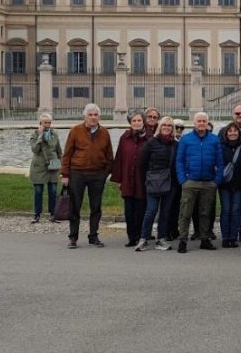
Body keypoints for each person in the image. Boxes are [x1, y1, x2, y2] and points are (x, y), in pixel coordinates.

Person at [61, 103, 114, 249]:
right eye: (90, 115)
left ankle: (93, 236)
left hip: (97, 174)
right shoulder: (75, 131)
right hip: (77, 173)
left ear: (99, 117)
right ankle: (73, 237)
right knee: (75, 206)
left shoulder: (104, 132)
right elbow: (67, 154)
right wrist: (65, 174)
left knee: (96, 207)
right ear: (84, 116)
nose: (93, 117)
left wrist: (106, 172)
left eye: (95, 115)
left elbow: (109, 154)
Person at [175, 112, 223, 252]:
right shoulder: (186, 140)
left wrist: (217, 180)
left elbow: (220, 162)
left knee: (205, 213)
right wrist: (183, 179)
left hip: (209, 182)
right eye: (199, 121)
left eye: (204, 121)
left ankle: (205, 239)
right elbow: (179, 161)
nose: (201, 123)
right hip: (190, 181)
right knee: (185, 212)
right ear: (194, 123)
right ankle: (183, 240)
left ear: (207, 123)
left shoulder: (214, 140)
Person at [136, 116, 179, 252]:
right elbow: (141, 163)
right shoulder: (151, 142)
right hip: (153, 181)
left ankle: (161, 238)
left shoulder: (176, 144)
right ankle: (144, 238)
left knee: (165, 212)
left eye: (169, 125)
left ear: (172, 129)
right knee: (151, 210)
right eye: (164, 125)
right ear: (160, 126)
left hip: (171, 182)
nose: (166, 127)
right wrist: (147, 178)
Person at [111, 110, 150, 247]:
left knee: (141, 209)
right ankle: (131, 237)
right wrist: (118, 179)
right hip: (128, 179)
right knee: (129, 210)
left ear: (143, 122)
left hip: (143, 180)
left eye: (139, 120)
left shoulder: (150, 138)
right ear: (130, 123)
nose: (137, 123)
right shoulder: (125, 137)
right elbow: (119, 158)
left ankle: (141, 235)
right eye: (134, 121)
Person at [28, 113, 62, 224]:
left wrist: (61, 163)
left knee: (53, 190)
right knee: (38, 191)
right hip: (39, 166)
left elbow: (58, 150)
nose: (47, 125)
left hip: (53, 163)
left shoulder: (54, 134)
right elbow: (35, 149)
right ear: (40, 124)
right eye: (45, 123)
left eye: (49, 122)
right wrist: (40, 136)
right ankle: (37, 214)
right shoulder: (34, 135)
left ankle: (53, 214)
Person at [218, 124, 241, 248]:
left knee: (235, 211)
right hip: (225, 184)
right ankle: (225, 237)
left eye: (235, 131)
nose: (232, 133)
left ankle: (233, 237)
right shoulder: (221, 147)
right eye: (230, 131)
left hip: (239, 184)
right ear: (226, 133)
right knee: (226, 210)